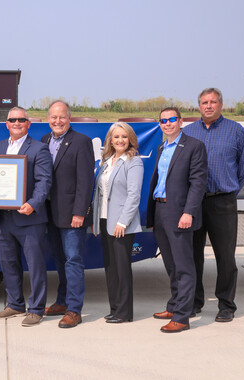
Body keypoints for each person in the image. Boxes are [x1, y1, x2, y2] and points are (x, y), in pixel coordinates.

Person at [182, 88, 244, 322]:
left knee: (225, 257)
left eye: (213, 102)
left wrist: (230, 189)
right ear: (199, 106)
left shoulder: (235, 130)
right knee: (193, 256)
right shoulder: (189, 132)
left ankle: (226, 305)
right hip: (193, 203)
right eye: (204, 102)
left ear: (221, 105)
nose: (209, 106)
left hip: (222, 202)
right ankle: (193, 302)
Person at [146, 107, 207, 333]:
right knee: (171, 264)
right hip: (161, 211)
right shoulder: (162, 147)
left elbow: (198, 183)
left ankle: (182, 317)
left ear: (180, 122)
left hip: (179, 212)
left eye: (171, 119)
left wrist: (188, 212)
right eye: (163, 120)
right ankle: (174, 305)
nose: (167, 123)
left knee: (184, 266)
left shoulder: (194, 146)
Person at [0, 107, 53, 327]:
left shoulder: (39, 148)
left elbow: (44, 182)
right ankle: (15, 304)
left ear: (28, 124)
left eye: (21, 120)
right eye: (12, 120)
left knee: (35, 265)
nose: (16, 123)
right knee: (9, 264)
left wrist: (33, 204)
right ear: (6, 124)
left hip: (29, 218)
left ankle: (36, 309)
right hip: (4, 218)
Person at [41, 100, 95, 328]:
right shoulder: (44, 141)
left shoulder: (81, 142)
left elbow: (86, 181)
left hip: (72, 214)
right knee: (60, 260)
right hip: (49, 213)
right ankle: (62, 301)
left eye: (62, 117)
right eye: (53, 117)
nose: (57, 121)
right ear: (48, 119)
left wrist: (80, 212)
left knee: (73, 261)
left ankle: (74, 310)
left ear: (69, 118)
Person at [92, 122, 143, 324]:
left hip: (121, 224)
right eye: (116, 137)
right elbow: (100, 195)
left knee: (122, 269)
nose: (120, 140)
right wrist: (97, 222)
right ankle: (114, 309)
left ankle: (124, 312)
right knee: (111, 268)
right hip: (105, 221)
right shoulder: (107, 161)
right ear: (110, 141)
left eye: (124, 136)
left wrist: (123, 222)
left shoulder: (134, 162)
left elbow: (134, 195)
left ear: (129, 139)